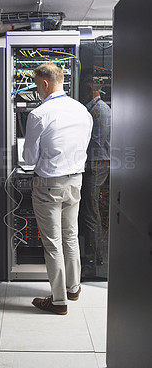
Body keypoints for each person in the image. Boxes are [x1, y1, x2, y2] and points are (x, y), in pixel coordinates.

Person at [23, 62, 93, 315]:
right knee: (70, 235)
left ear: (44, 83)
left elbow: (29, 159)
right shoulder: (82, 110)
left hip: (49, 185)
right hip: (76, 180)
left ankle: (58, 301)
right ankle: (73, 288)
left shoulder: (39, 114)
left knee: (52, 243)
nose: (36, 89)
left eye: (36, 84)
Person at [79, 77, 111, 277]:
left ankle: (93, 259)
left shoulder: (96, 110)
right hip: (99, 163)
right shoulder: (99, 108)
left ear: (92, 88)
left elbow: (91, 143)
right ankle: (95, 255)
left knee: (91, 213)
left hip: (95, 164)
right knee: (93, 210)